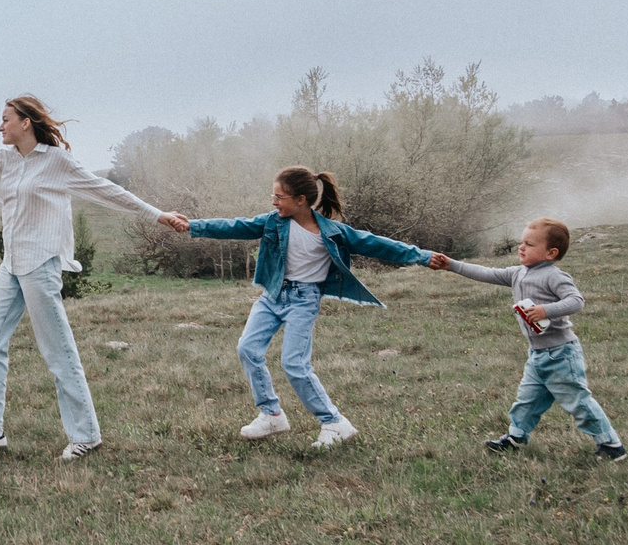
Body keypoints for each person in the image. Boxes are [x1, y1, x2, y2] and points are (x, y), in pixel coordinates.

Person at [0, 95, 185, 460]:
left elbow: (107, 191)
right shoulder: (0, 160)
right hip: (11, 264)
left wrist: (156, 214)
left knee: (57, 350)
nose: (0, 126)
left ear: (26, 122)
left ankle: (85, 435)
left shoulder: (58, 162)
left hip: (41, 263)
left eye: (5, 119)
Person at [163, 167, 437, 448]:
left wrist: (424, 256)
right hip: (272, 296)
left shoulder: (333, 232)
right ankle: (271, 414)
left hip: (304, 301)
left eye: (279, 196)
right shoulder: (273, 222)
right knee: (247, 348)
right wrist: (193, 225)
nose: (273, 201)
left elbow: (379, 245)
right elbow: (236, 226)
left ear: (301, 200)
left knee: (294, 363)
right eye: (274, 195)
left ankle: (334, 422)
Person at [429, 219, 627, 460]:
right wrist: (451, 265)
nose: (521, 247)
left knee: (578, 402)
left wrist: (546, 310)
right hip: (538, 355)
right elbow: (487, 273)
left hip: (561, 354)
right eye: (521, 242)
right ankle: (516, 437)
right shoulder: (517, 273)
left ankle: (611, 445)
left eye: (529, 244)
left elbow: (576, 300)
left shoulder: (554, 276)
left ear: (550, 253)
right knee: (527, 400)